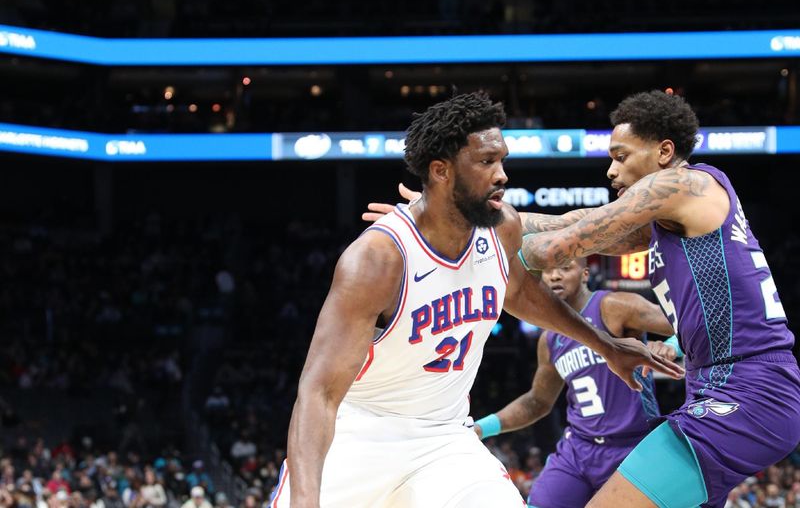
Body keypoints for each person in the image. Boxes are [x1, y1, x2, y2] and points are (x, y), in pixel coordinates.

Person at [273, 91, 681, 508]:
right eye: (487, 162)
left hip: (443, 436)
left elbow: (521, 293)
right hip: (360, 435)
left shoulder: (501, 227)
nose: (502, 174)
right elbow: (319, 393)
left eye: (501, 159)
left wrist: (607, 346)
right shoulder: (377, 260)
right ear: (441, 171)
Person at [517, 91, 800, 508]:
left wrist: (484, 251)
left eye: (621, 156)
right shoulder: (667, 217)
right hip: (722, 386)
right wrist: (459, 214)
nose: (611, 170)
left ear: (665, 151)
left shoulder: (681, 184)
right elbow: (560, 221)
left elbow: (558, 245)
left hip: (747, 389)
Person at [472, 258, 676, 508]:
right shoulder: (549, 339)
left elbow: (684, 323)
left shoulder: (613, 306)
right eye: (548, 270)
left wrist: (671, 346)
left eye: (565, 268)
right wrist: (481, 428)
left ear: (584, 273)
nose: (554, 276)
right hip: (578, 447)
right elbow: (537, 401)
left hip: (631, 447)